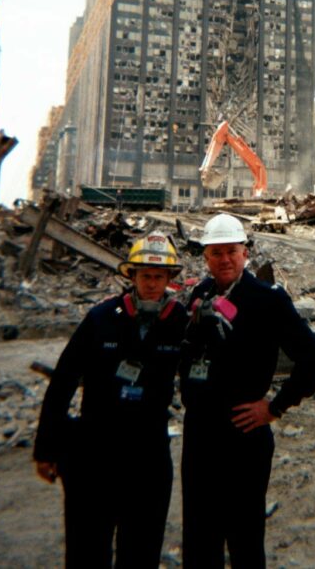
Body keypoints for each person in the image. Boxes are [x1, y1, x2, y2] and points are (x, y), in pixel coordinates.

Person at [180, 212, 315, 569]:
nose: (225, 259)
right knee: (199, 536)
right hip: (200, 433)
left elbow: (313, 360)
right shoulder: (200, 295)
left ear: (246, 253)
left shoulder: (268, 300)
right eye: (216, 253)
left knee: (244, 535)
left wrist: (274, 408)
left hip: (243, 434)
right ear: (206, 257)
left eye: (232, 251)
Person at [33, 230, 187, 569]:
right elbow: (62, 383)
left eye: (159, 277)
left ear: (170, 279)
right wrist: (46, 448)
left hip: (147, 458)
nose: (151, 284)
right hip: (94, 454)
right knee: (87, 551)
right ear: (131, 275)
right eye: (145, 275)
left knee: (141, 552)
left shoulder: (181, 324)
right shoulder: (101, 319)